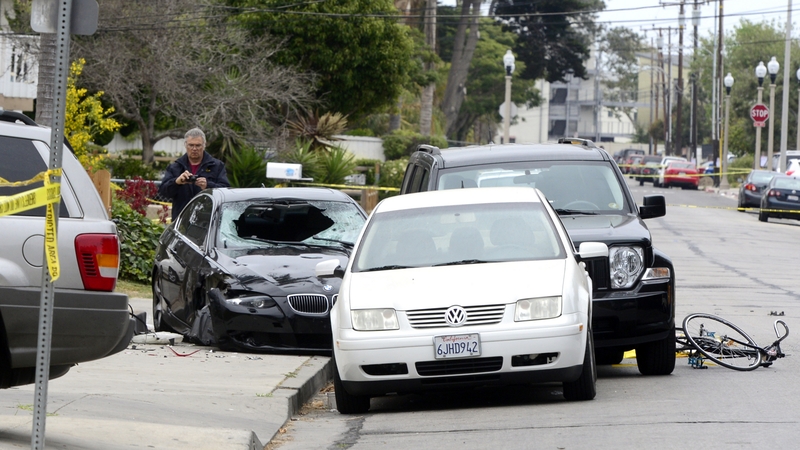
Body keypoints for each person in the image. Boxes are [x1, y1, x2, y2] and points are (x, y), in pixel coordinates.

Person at [159, 128, 230, 221]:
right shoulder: (176, 167)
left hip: (208, 221)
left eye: (198, 145)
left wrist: (208, 185)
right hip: (181, 220)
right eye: (191, 145)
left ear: (204, 145)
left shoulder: (217, 166)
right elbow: (163, 192)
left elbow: (226, 191)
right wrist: (177, 182)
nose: (194, 149)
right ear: (185, 145)